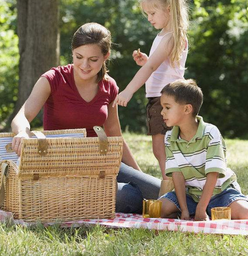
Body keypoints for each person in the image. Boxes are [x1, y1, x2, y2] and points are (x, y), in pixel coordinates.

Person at [10, 22, 160, 214]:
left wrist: (138, 176)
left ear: (106, 56)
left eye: (93, 59)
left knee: (158, 190)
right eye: (79, 57)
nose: (84, 65)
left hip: (101, 162)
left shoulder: (109, 86)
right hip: (63, 167)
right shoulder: (53, 79)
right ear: (72, 52)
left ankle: (205, 207)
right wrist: (22, 132)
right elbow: (22, 116)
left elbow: (115, 134)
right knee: (127, 196)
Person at [113, 0, 189, 181]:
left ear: (169, 9)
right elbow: (160, 67)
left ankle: (170, 187)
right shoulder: (166, 36)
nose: (149, 18)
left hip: (165, 99)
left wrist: (128, 90)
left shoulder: (169, 37)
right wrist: (147, 61)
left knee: (162, 148)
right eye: (146, 14)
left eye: (152, 13)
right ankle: (173, 185)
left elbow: (152, 68)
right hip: (168, 97)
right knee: (166, 147)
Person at [158, 79, 248, 221]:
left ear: (187, 109)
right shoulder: (169, 137)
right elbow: (177, 175)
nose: (162, 112)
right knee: (158, 208)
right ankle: (205, 212)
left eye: (167, 107)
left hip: (221, 193)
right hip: (191, 195)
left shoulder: (210, 133)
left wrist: (201, 208)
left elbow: (213, 173)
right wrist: (184, 209)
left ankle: (207, 210)